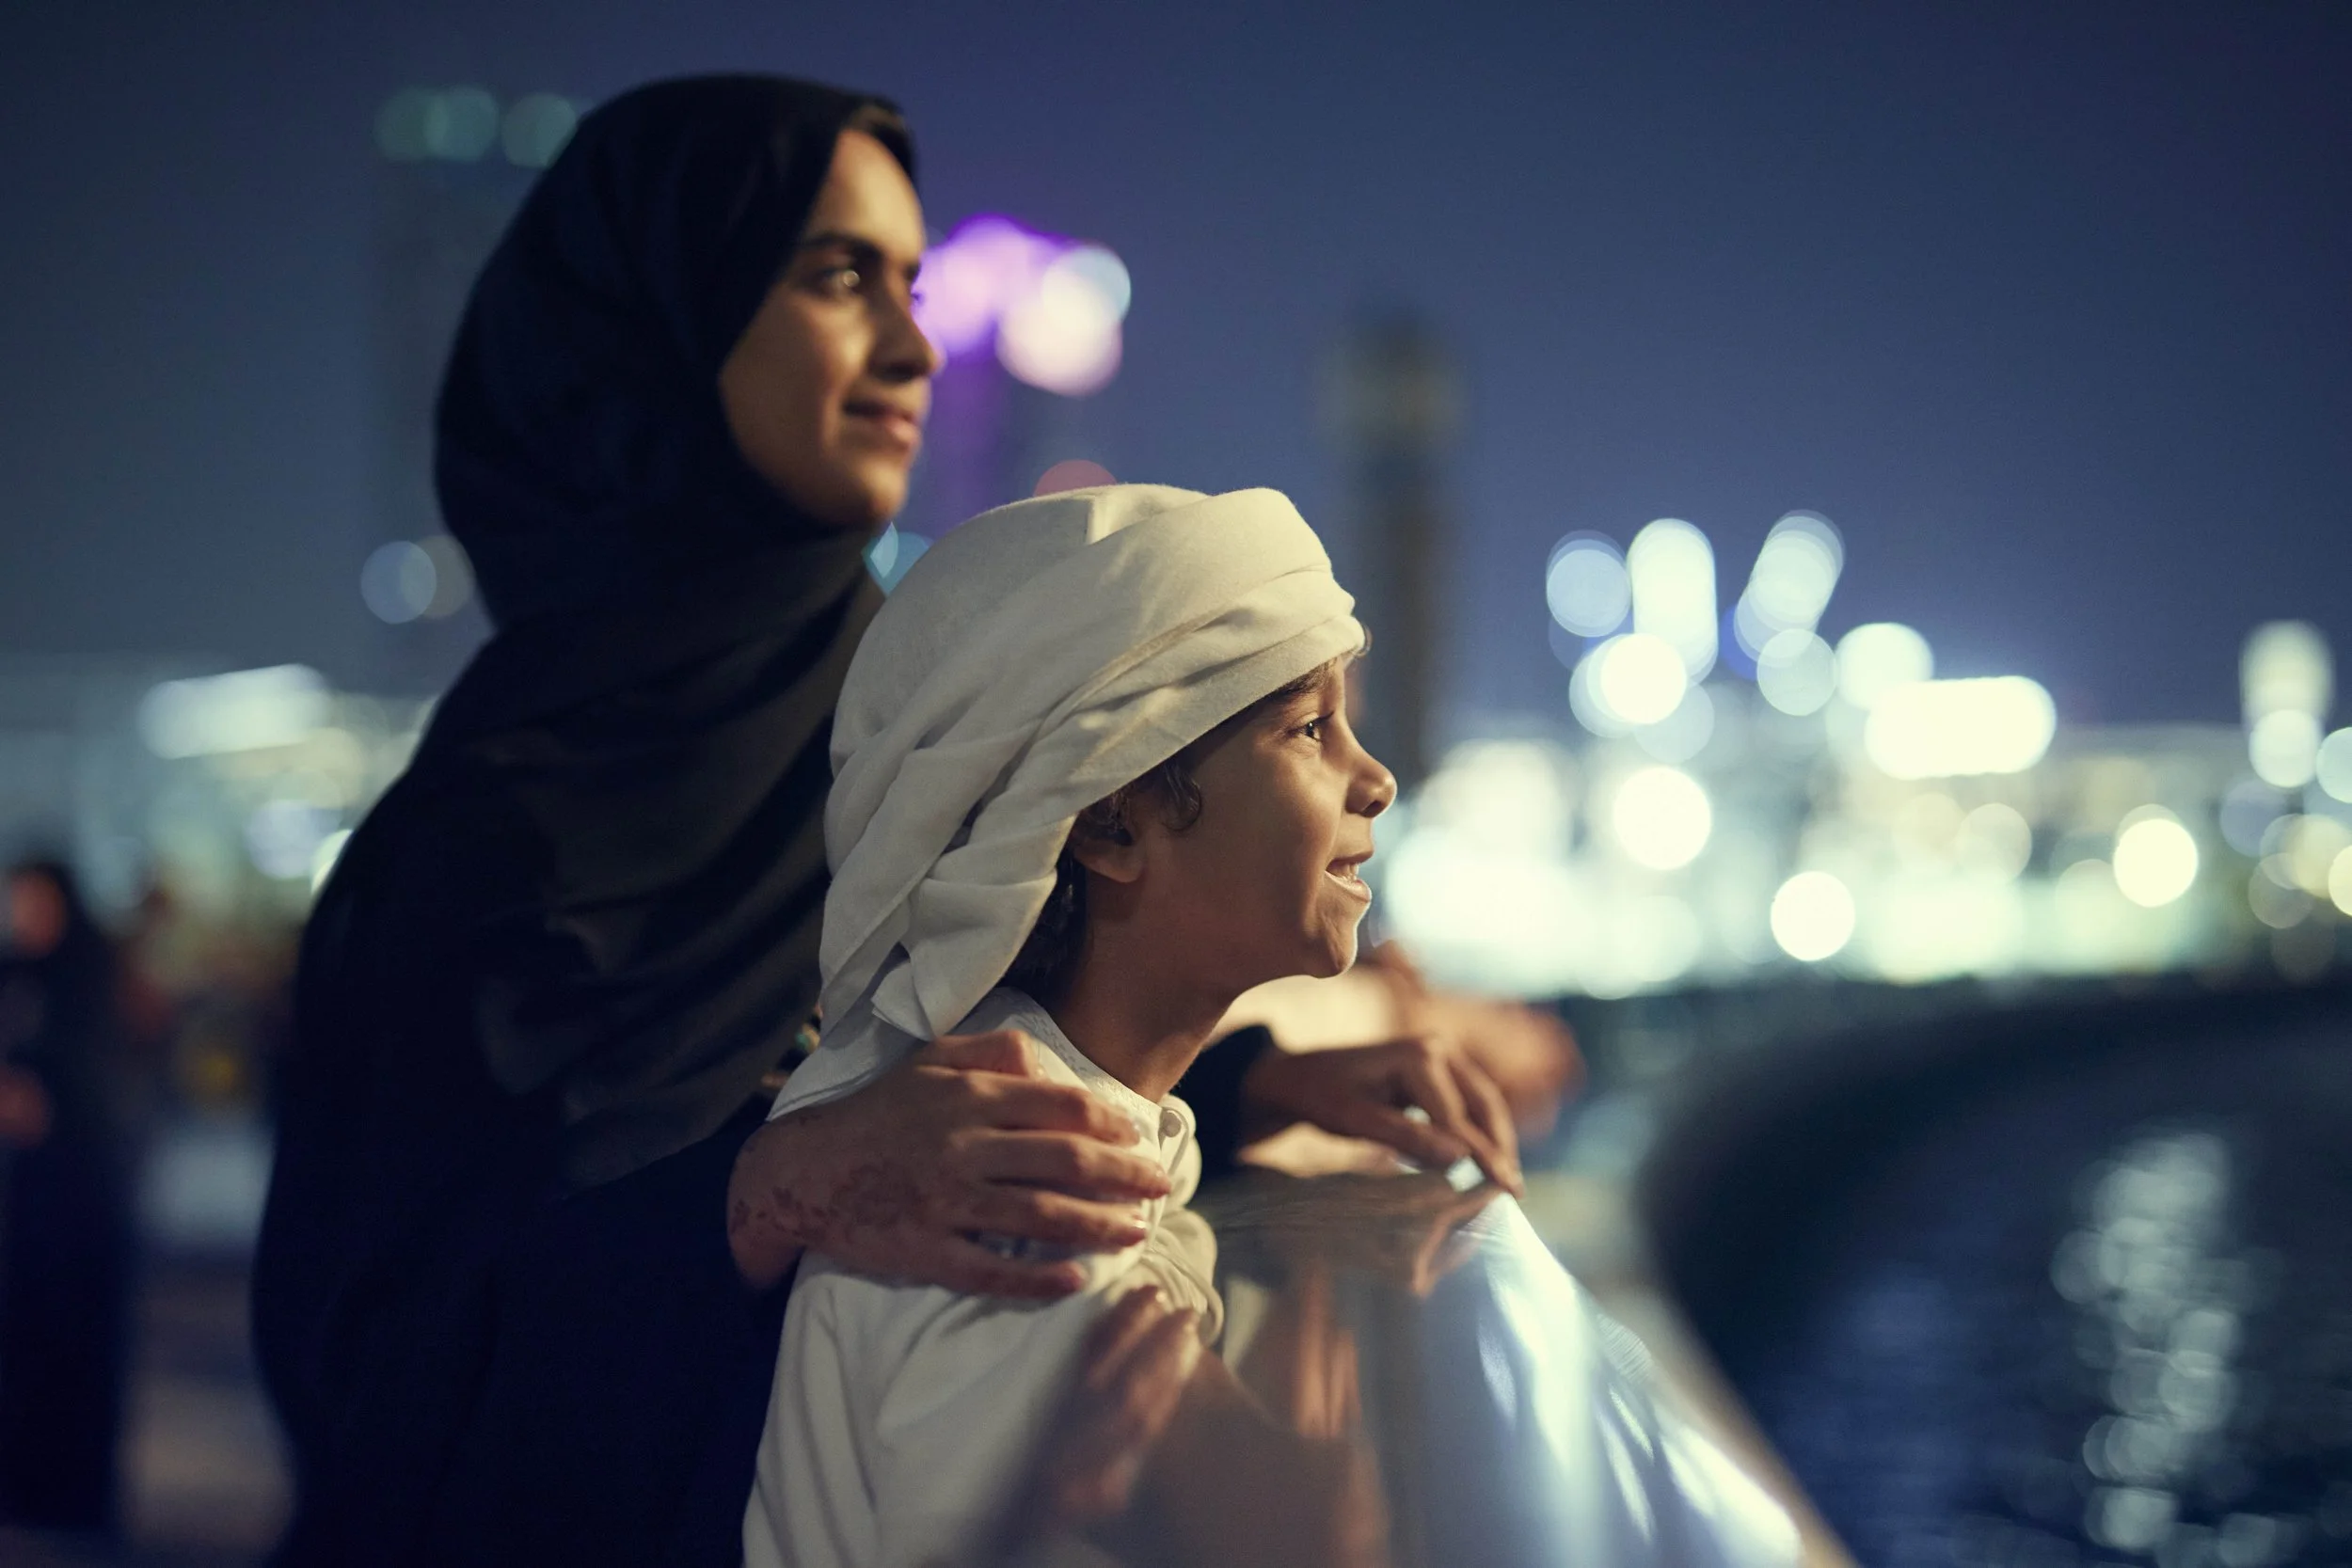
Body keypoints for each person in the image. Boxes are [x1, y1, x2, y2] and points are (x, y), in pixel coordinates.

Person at [254, 74, 1520, 1568]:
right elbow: (377, 1382)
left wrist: (1232, 1093)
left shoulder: (894, 704)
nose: (914, 344)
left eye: (911, 284)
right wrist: (766, 1195)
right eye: (837, 276)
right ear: (659, 320)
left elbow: (936, 1032)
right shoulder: (484, 837)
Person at [745, 483, 1406, 1568]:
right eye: (1308, 727)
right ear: (1107, 820)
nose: (1372, 778)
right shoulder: (1019, 1206)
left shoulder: (1043, 1129)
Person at [0, 859, 137, 1537]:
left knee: (73, 1339)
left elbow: (94, 1083)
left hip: (84, 1192)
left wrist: (39, 1099)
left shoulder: (88, 975)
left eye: (32, 900)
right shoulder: (20, 971)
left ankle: (74, 1493)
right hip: (30, 1194)